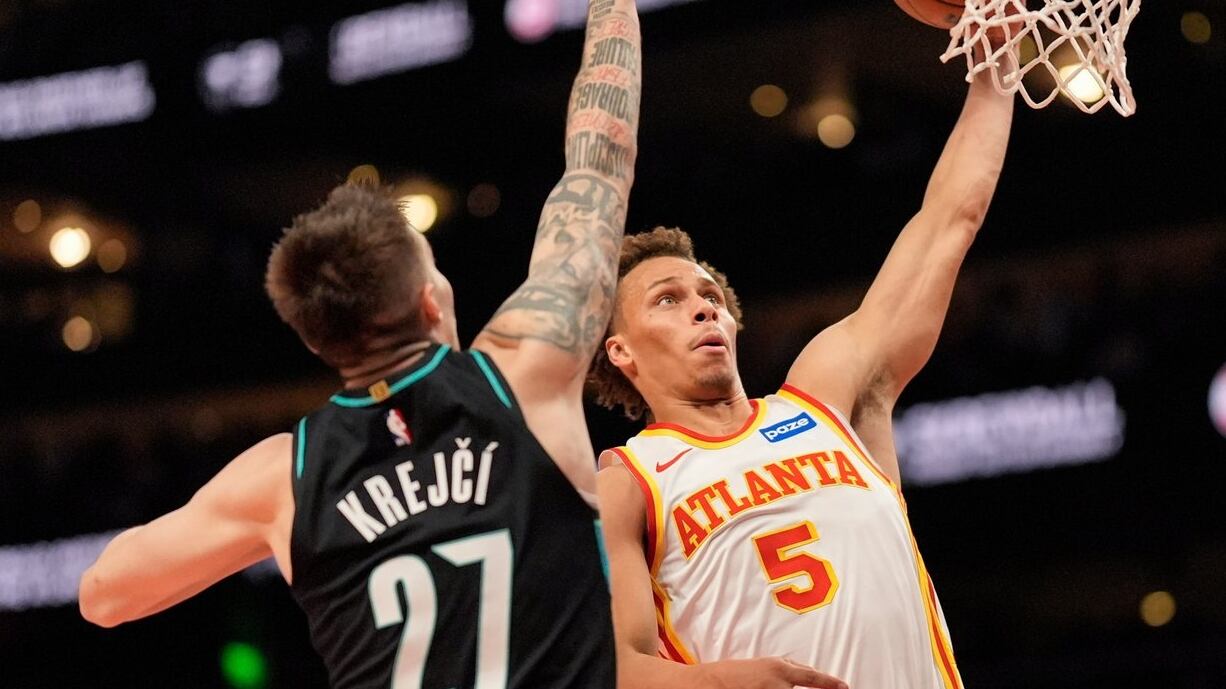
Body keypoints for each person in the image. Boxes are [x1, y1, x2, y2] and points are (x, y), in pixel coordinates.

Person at [78, 1, 641, 687]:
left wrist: (282, 530)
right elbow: (600, 161)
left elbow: (102, 593)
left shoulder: (284, 479)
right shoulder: (524, 372)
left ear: (321, 340)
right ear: (429, 300)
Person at [589, 65, 1014, 689]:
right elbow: (614, 671)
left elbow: (949, 220)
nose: (703, 308)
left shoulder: (826, 400)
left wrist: (995, 75)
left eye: (710, 296)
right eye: (668, 300)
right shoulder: (627, 484)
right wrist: (722, 682)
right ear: (620, 351)